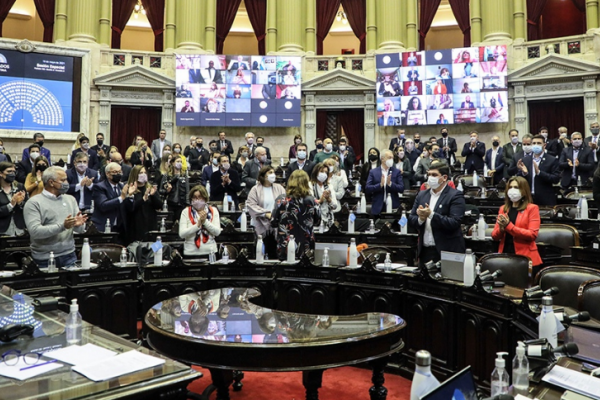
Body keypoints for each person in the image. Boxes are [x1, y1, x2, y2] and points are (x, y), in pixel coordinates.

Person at [24, 166, 88, 268]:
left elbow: (80, 230)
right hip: (45, 258)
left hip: (69, 255)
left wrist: (78, 225)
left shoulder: (70, 199)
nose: (67, 183)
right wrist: (63, 226)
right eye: (63, 180)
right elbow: (35, 232)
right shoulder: (33, 203)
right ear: (51, 182)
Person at [409, 161, 465, 266]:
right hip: (425, 251)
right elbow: (411, 219)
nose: (430, 178)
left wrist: (431, 214)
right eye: (429, 174)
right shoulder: (422, 195)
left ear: (444, 178)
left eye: (434, 175)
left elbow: (454, 222)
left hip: (447, 251)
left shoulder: (455, 196)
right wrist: (420, 219)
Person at [491, 176, 543, 268]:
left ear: (524, 190)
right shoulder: (503, 209)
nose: (512, 190)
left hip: (525, 257)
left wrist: (509, 226)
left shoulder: (532, 208)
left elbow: (532, 235)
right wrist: (501, 229)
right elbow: (495, 236)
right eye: (510, 187)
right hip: (505, 254)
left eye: (516, 187)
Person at [271, 170, 321, 261]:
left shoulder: (281, 200)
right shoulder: (313, 201)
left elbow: (273, 221)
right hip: (306, 243)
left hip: (285, 242)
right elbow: (318, 221)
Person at [246, 166, 286, 260]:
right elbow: (251, 205)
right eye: (270, 173)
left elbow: (284, 202)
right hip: (261, 223)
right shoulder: (255, 189)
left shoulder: (279, 188)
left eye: (273, 172)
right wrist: (265, 214)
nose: (273, 175)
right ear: (263, 176)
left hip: (276, 224)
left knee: (275, 251)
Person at [516, 134, 560, 206]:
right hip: (528, 197)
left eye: (539, 143)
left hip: (545, 198)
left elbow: (556, 179)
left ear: (544, 145)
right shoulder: (525, 160)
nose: (536, 145)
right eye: (534, 143)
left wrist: (540, 173)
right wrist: (524, 173)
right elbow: (519, 179)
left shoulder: (552, 160)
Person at [179, 185, 222, 257]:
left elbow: (217, 232)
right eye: (195, 197)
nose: (197, 200)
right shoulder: (185, 212)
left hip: (210, 252)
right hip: (190, 253)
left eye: (200, 197)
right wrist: (197, 225)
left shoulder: (213, 210)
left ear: (205, 198)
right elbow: (182, 234)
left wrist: (205, 222)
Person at [123, 166, 162, 244]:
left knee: (154, 249)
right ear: (135, 175)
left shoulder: (150, 188)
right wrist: (143, 199)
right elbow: (130, 208)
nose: (143, 174)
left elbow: (159, 205)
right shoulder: (129, 189)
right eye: (141, 173)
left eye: (144, 173)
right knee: (138, 250)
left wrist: (153, 195)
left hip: (150, 223)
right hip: (135, 225)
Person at [91, 162, 128, 238]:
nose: (118, 174)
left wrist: (130, 197)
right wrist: (121, 198)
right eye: (115, 172)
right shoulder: (99, 187)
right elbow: (103, 205)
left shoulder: (122, 186)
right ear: (107, 174)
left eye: (119, 172)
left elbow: (128, 207)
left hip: (119, 227)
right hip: (104, 226)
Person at [366, 150, 404, 215]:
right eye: (389, 158)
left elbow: (401, 188)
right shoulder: (373, 172)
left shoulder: (396, 172)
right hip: (378, 207)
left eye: (392, 158)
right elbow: (367, 188)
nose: (391, 160)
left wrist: (390, 184)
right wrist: (380, 185)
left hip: (393, 206)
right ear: (382, 159)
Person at [0, 162, 27, 236]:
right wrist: (11, 205)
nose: (12, 174)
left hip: (19, 230)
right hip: (3, 230)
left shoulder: (19, 187)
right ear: (1, 173)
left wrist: (20, 203)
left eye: (14, 172)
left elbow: (27, 206)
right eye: (9, 171)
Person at [159, 155, 189, 221]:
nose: (179, 163)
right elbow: (160, 190)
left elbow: (187, 191)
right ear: (172, 163)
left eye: (181, 162)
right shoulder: (167, 176)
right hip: (170, 204)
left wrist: (187, 204)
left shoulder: (184, 176)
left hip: (181, 204)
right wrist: (167, 191)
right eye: (178, 161)